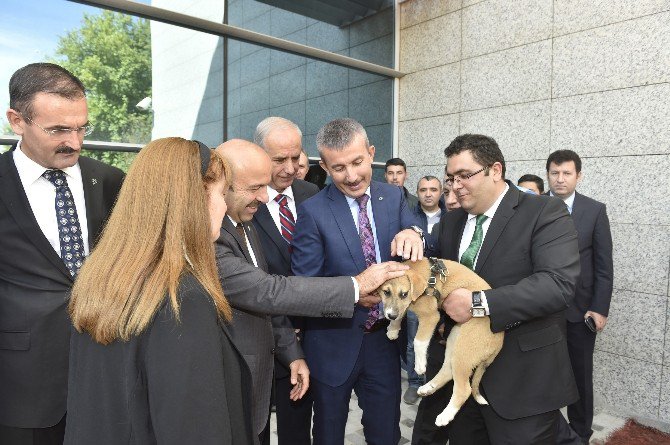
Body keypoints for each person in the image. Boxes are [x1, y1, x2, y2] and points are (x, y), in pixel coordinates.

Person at [214, 138, 409, 445]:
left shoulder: (245, 222)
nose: (265, 197)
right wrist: (356, 286)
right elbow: (270, 290)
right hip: (240, 373)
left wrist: (292, 354)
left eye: (357, 163)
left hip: (378, 343)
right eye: (255, 188)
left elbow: (267, 302)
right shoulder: (213, 237)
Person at [64, 138, 254, 444]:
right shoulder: (183, 299)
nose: (225, 206)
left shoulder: (101, 278)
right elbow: (195, 429)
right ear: (196, 199)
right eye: (222, 193)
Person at [0, 63, 124, 445]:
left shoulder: (109, 181)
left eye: (81, 127)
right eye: (58, 130)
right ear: (17, 120)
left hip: (106, 371)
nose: (74, 141)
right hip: (21, 385)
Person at [436, 134, 580, 444]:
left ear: (495, 170)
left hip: (523, 385)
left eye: (464, 175)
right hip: (464, 385)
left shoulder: (544, 211)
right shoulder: (449, 224)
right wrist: (410, 232)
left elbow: (558, 284)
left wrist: (478, 303)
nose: (455, 186)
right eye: (450, 178)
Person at [291, 118, 424, 445]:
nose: (351, 176)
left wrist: (413, 232)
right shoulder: (313, 212)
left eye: (358, 162)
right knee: (329, 432)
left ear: (371, 153)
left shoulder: (392, 197)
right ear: (323, 165)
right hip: (332, 343)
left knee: (386, 432)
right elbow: (304, 286)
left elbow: (414, 228)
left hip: (383, 342)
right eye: (338, 168)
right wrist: (353, 294)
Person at [252, 117, 318, 445]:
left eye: (296, 157)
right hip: (260, 335)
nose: (291, 168)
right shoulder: (242, 202)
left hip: (307, 336)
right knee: (256, 427)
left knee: (297, 429)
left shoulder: (312, 194)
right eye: (280, 160)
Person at [547, 150, 613, 445]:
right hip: (542, 310)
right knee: (540, 374)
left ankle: (580, 435)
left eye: (566, 173)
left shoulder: (594, 210)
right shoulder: (533, 207)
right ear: (548, 174)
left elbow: (603, 265)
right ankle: (548, 431)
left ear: (578, 176)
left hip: (580, 312)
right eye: (554, 173)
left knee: (580, 377)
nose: (560, 179)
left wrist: (599, 308)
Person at [411, 183, 460, 445]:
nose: (451, 200)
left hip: (483, 330)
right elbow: (430, 277)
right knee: (432, 411)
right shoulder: (445, 228)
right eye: (448, 192)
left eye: (456, 192)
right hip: (443, 333)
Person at [403, 175, 445, 405]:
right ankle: (414, 382)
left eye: (433, 189)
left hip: (441, 289)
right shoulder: (408, 218)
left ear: (441, 192)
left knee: (439, 336)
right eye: (423, 189)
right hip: (415, 290)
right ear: (416, 193)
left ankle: (436, 380)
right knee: (413, 340)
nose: (428, 193)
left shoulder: (451, 218)